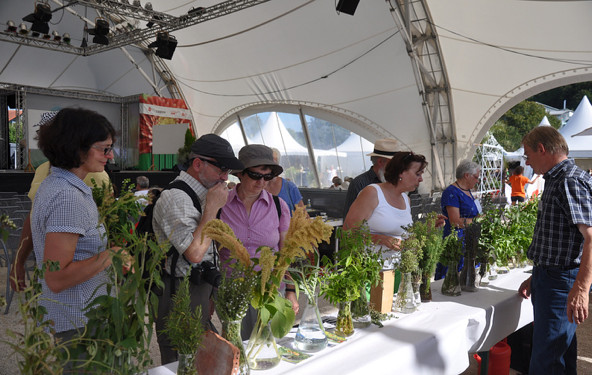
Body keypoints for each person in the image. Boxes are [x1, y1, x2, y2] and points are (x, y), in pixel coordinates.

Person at [29, 108, 120, 350]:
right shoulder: (68, 197)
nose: (109, 156)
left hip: (76, 317)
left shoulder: (59, 184)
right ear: (78, 148)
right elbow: (57, 277)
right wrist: (110, 256)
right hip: (80, 321)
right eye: (104, 148)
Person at [152, 134, 244, 364]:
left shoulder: (202, 194)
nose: (225, 177)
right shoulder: (177, 198)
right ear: (197, 164)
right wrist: (212, 208)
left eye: (228, 172)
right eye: (221, 169)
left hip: (199, 288)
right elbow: (194, 253)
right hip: (178, 293)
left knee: (203, 357)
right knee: (181, 359)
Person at [517, 126, 592, 375]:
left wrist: (581, 288)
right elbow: (560, 237)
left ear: (542, 149)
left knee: (547, 361)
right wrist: (536, 274)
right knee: (558, 352)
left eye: (528, 154)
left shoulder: (568, 180)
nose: (526, 161)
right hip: (551, 276)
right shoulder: (557, 178)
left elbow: (591, 238)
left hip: (561, 280)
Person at [218, 144, 298, 339]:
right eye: (256, 175)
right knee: (236, 344)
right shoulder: (220, 204)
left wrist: (290, 289)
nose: (262, 182)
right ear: (241, 174)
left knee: (268, 343)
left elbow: (285, 253)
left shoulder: (279, 207)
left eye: (267, 176)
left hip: (269, 289)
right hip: (231, 290)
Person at [344, 151, 445, 267]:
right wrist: (379, 238)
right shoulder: (372, 193)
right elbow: (347, 232)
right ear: (401, 173)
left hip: (396, 271)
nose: (421, 179)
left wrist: (427, 227)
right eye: (418, 174)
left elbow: (406, 239)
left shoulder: (406, 199)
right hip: (368, 270)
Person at [434, 160, 482, 280]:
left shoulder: (468, 191)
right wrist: (478, 222)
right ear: (467, 175)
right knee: (453, 277)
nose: (477, 181)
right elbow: (455, 221)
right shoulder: (451, 192)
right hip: (456, 242)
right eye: (476, 177)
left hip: (469, 241)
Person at [342, 138, 399, 219]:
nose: (398, 167)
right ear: (380, 162)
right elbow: (348, 220)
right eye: (394, 163)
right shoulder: (359, 183)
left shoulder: (394, 182)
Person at [265, 147, 305, 215]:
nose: (270, 167)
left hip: (289, 225)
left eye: (274, 161)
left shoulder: (289, 187)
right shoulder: (257, 187)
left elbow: (303, 215)